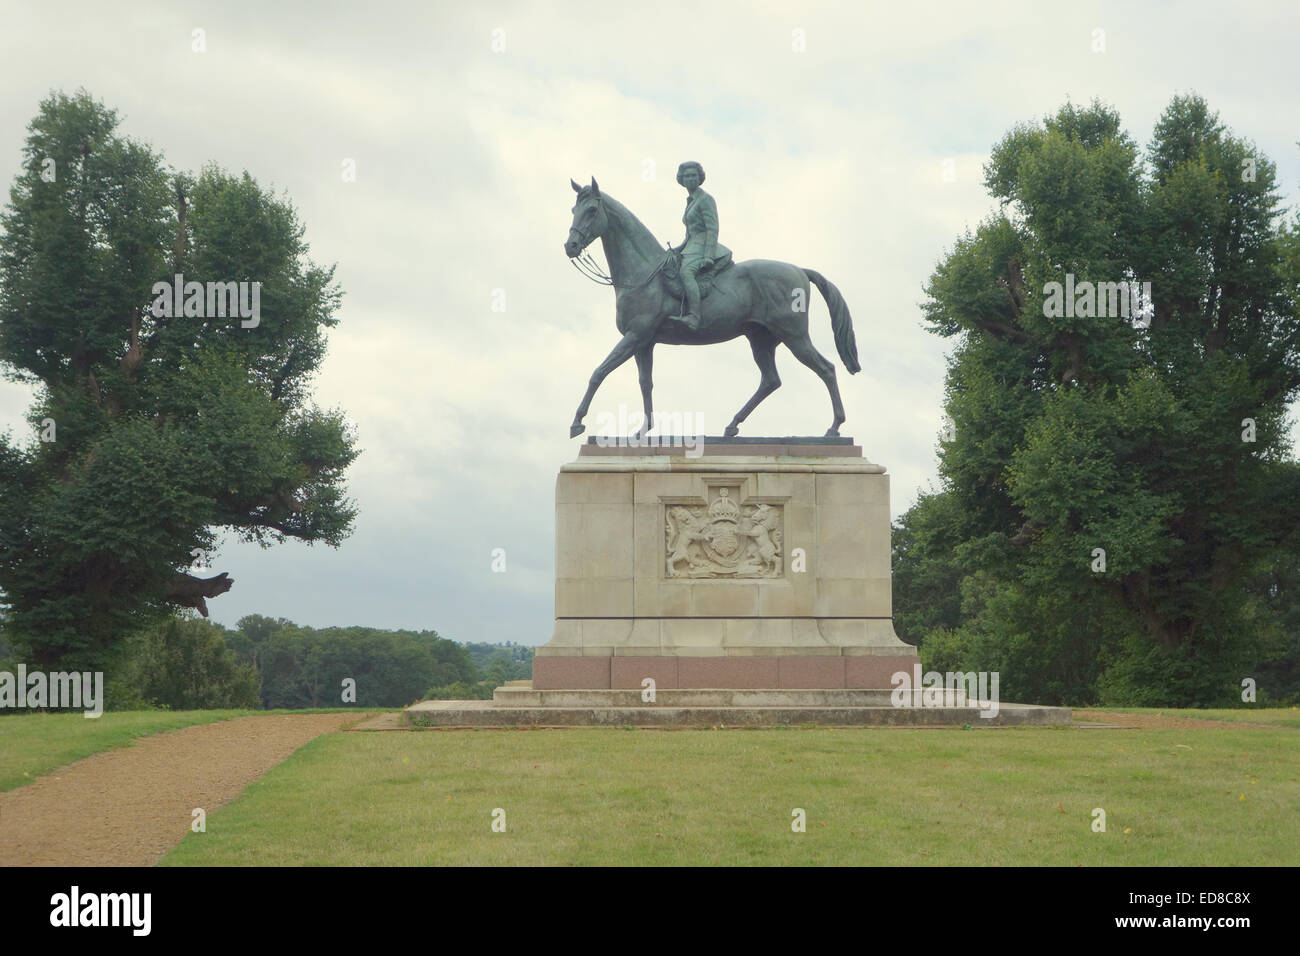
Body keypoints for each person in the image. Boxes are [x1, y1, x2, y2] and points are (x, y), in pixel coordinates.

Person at [673, 161, 731, 331]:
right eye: (687, 176)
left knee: (686, 272)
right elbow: (689, 233)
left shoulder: (705, 199)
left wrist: (708, 255)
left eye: (693, 176)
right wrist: (678, 249)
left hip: (704, 246)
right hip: (691, 246)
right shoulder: (690, 201)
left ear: (699, 178)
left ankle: (694, 317)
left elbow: (712, 229)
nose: (690, 179)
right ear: (681, 180)